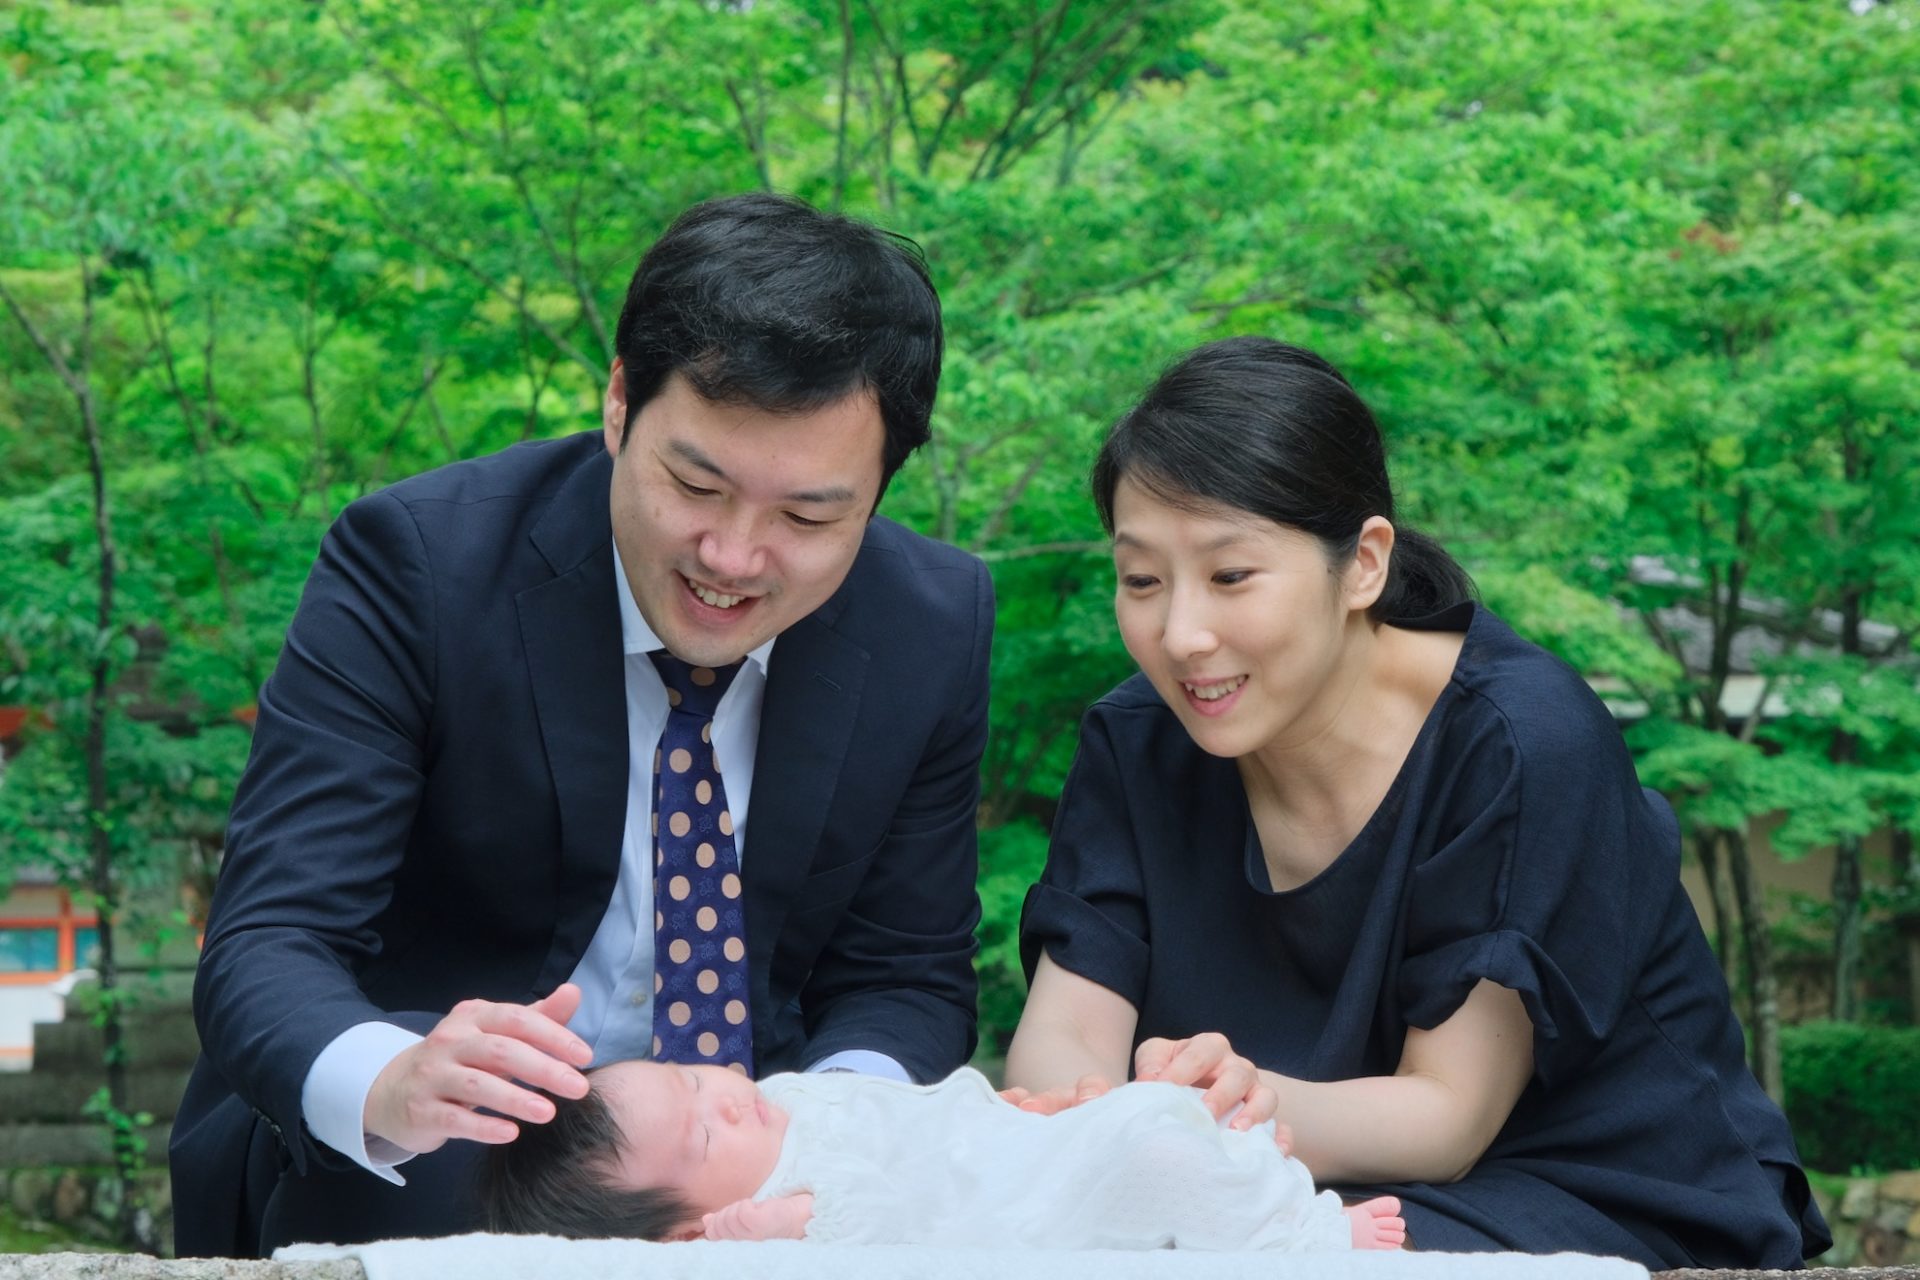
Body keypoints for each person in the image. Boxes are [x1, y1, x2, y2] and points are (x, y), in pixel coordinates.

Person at [170, 193, 994, 1256]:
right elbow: (268, 939)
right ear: (618, 403)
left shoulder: (931, 622)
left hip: (751, 1139)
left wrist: (827, 1149)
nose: (733, 557)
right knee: (456, 1144)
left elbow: (903, 979)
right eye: (695, 483)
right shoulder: (418, 567)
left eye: (807, 517)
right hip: (445, 1145)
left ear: (880, 489)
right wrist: (388, 1077)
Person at [1002, 336, 1831, 1271]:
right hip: (1260, 1174)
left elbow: (1447, 1117)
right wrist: (1095, 1125)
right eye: (1141, 580)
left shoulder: (1519, 739)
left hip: (1584, 1180)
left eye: (1231, 576)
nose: (1181, 633)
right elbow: (1068, 1032)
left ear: (1363, 563)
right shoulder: (1139, 740)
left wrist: (1195, 1127)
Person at [481, 1060, 1408, 1251]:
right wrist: (774, 1229)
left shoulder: (783, 1100)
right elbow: (882, 1223)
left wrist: (992, 1110)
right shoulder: (790, 1207)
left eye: (690, 1076)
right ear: (687, 1232)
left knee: (1159, 1111)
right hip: (1017, 1205)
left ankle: (1283, 1205)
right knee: (1153, 1157)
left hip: (1010, 1145)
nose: (724, 1095)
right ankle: (1313, 1240)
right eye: (705, 1133)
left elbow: (905, 1108)